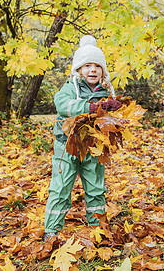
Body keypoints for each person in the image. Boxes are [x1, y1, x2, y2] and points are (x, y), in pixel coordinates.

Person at [44, 35, 122, 241]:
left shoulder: (107, 90)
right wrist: (90, 107)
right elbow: (62, 104)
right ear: (78, 69)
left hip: (94, 147)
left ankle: (97, 225)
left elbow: (112, 118)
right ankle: (51, 229)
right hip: (67, 145)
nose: (93, 70)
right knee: (60, 187)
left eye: (97, 66)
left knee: (96, 187)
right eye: (87, 65)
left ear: (103, 70)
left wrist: (114, 111)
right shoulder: (71, 87)